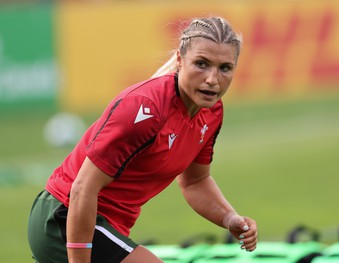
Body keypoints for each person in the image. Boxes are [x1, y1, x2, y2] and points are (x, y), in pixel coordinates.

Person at [28, 16, 258, 263]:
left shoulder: (211, 112)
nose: (212, 79)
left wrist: (229, 218)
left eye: (224, 68)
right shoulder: (146, 109)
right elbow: (83, 188)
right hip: (64, 218)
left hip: (105, 225)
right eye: (201, 64)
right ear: (180, 60)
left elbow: (195, 181)